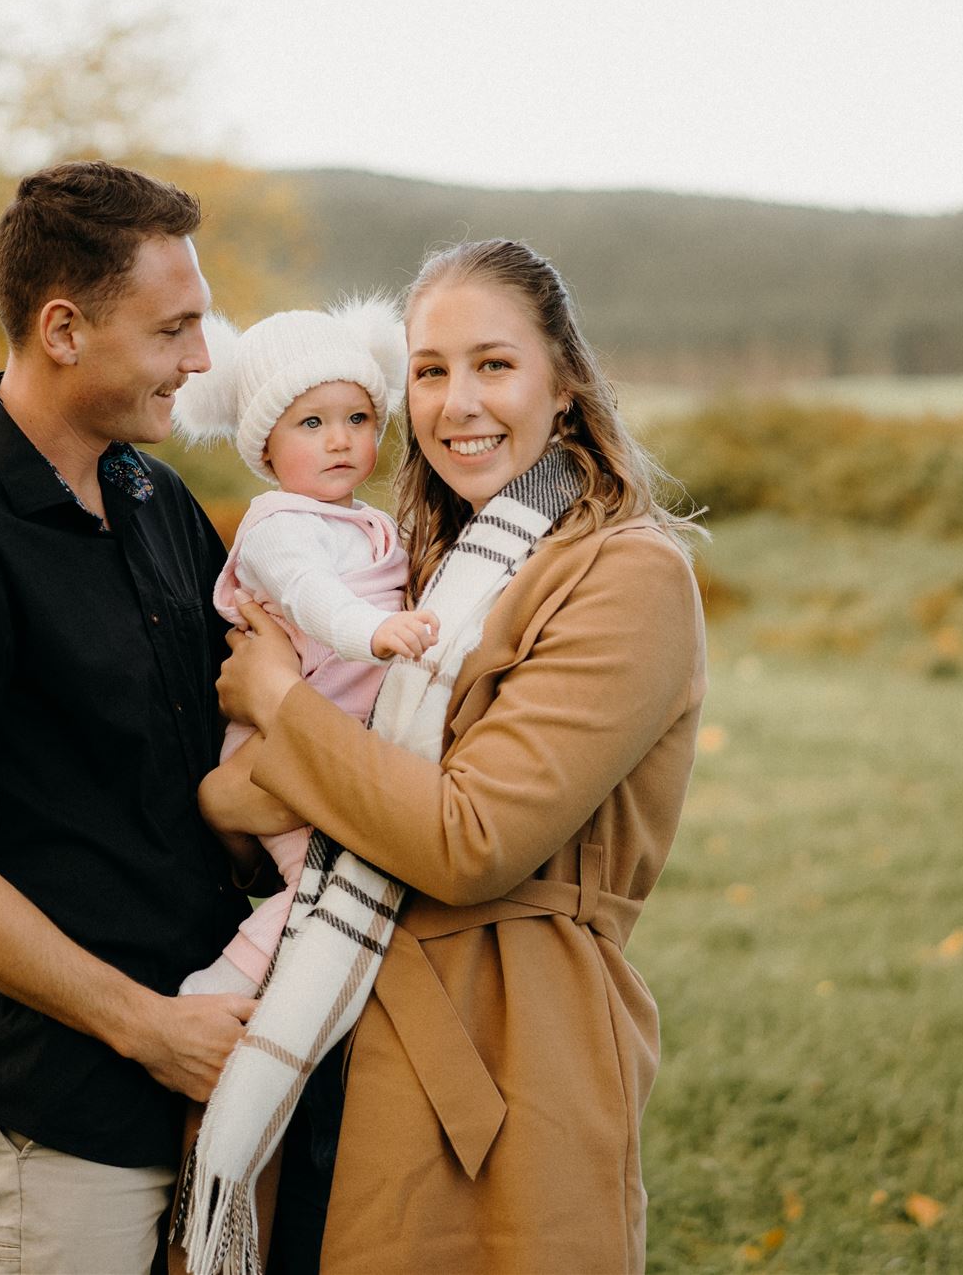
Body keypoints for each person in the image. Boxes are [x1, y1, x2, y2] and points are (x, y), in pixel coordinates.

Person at [204, 239, 708, 1273]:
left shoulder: (625, 576)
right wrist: (251, 783)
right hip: (330, 1019)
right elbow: (253, 810)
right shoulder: (409, 574)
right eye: (429, 371)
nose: (456, 402)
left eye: (492, 365)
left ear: (562, 384)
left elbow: (470, 839)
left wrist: (275, 701)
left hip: (510, 1041)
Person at [0, 161, 259, 1275]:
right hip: (48, 1109)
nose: (200, 359)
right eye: (173, 329)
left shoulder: (155, 500)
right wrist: (145, 1030)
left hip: (200, 1071)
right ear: (62, 329)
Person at [168, 299, 439, 998]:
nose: (340, 440)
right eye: (311, 423)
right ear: (265, 446)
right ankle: (224, 984)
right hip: (274, 743)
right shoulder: (278, 527)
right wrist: (371, 632)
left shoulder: (371, 524)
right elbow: (309, 592)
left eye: (357, 419)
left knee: (351, 881)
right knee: (318, 886)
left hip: (329, 735)